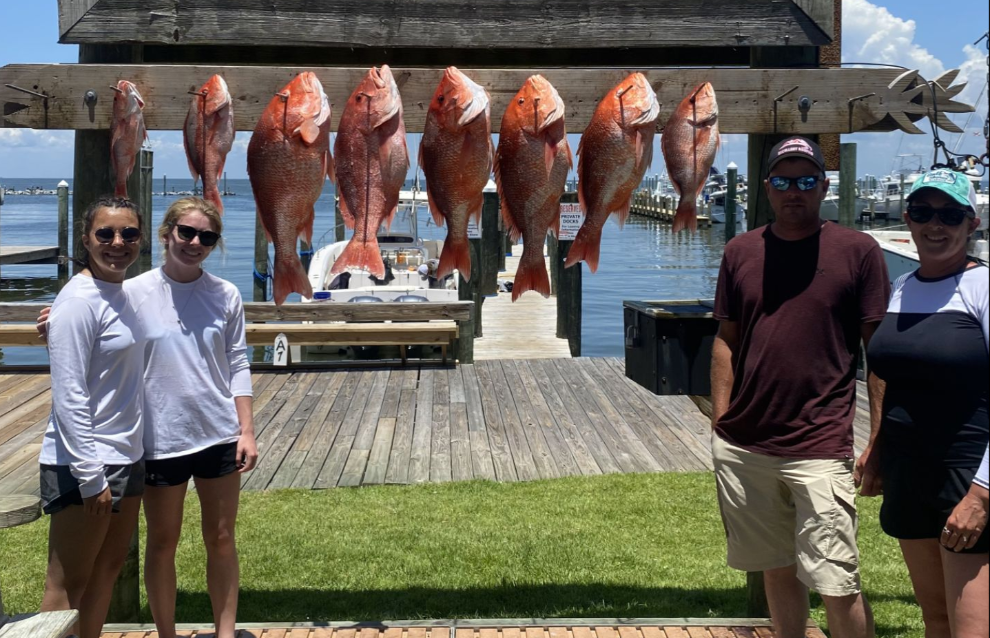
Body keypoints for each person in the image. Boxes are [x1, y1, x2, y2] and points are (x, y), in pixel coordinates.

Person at [38, 196, 257, 638]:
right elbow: (78, 361)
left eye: (206, 237)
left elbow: (238, 361)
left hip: (205, 435)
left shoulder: (223, 293)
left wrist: (246, 428)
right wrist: (55, 324)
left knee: (212, 539)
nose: (195, 242)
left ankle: (226, 632)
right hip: (151, 442)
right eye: (186, 232)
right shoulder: (130, 290)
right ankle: (166, 634)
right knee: (154, 547)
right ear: (166, 234)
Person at [710, 137, 890, 638]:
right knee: (777, 569)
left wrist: (878, 438)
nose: (796, 191)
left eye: (807, 180)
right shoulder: (740, 251)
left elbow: (880, 355)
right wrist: (720, 420)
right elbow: (725, 339)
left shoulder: (860, 252)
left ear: (824, 186)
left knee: (837, 581)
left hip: (821, 446)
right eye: (785, 180)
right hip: (746, 445)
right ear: (767, 187)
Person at [861, 168, 988, 637]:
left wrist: (982, 493)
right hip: (909, 472)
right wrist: (877, 447)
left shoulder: (983, 288)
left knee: (970, 628)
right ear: (908, 219)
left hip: (968, 474)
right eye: (922, 212)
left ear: (971, 223)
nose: (935, 225)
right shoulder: (902, 287)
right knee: (935, 619)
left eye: (950, 214)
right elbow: (890, 374)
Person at [39, 197, 148, 638]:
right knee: (66, 588)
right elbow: (69, 394)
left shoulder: (120, 292)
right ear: (86, 239)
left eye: (129, 234)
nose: (117, 243)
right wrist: (90, 475)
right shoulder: (78, 300)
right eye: (105, 233)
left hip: (126, 455)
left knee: (106, 571)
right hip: (87, 464)